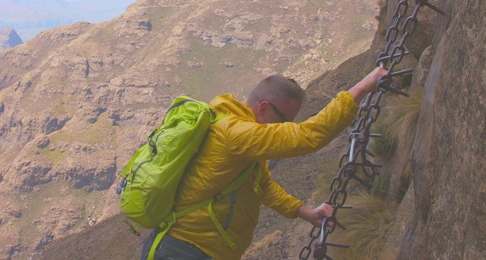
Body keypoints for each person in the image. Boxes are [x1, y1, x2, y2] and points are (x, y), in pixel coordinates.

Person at [140, 66, 389, 260]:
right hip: (184, 251)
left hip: (197, 251)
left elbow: (261, 185)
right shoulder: (237, 135)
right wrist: (362, 88)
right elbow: (306, 136)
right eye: (282, 121)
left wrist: (304, 212)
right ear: (264, 108)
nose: (282, 128)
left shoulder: (238, 135)